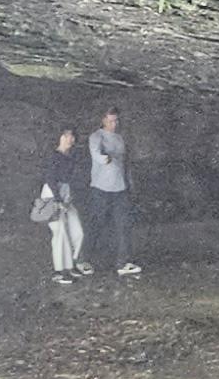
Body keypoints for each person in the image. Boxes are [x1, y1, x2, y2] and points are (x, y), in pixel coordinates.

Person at [87, 105, 140, 276]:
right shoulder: (96, 136)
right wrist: (106, 158)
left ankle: (123, 263)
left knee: (123, 225)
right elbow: (96, 154)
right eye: (110, 121)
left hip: (120, 189)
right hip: (100, 188)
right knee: (97, 224)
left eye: (116, 121)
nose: (114, 124)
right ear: (103, 120)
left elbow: (124, 163)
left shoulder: (119, 138)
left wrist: (129, 182)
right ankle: (85, 259)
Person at [31, 142, 86, 285]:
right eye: (65, 135)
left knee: (77, 232)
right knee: (60, 233)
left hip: (66, 197)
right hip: (52, 197)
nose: (69, 139)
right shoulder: (52, 156)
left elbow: (71, 180)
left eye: (71, 136)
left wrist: (67, 198)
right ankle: (60, 271)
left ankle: (71, 264)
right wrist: (58, 199)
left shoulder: (71, 156)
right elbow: (50, 179)